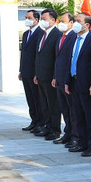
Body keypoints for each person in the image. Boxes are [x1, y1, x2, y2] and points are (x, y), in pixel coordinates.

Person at [68, 13, 91, 156]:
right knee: (78, 115)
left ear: (87, 25)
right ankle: (82, 143)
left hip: (86, 83)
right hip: (74, 81)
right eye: (75, 21)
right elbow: (71, 60)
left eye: (79, 21)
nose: (75, 23)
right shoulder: (74, 38)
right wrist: (67, 81)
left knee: (90, 117)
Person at [33, 9, 62, 140]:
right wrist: (36, 73)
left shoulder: (57, 34)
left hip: (50, 76)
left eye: (45, 19)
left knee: (53, 104)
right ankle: (47, 126)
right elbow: (38, 55)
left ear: (53, 20)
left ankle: (55, 130)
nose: (43, 21)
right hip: (41, 75)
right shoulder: (42, 34)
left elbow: (57, 57)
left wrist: (55, 76)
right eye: (42, 19)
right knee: (44, 103)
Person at [52, 13, 78, 146]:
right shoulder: (60, 37)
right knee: (64, 109)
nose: (60, 23)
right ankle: (67, 134)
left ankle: (75, 136)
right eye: (60, 21)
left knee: (73, 110)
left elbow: (71, 60)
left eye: (63, 21)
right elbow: (58, 59)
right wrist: (55, 76)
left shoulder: (74, 37)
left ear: (71, 23)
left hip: (69, 80)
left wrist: (67, 79)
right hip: (59, 79)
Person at [20, 10, 42, 131]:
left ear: (36, 20)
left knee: (37, 99)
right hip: (25, 71)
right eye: (26, 17)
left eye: (29, 18)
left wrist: (36, 73)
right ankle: (33, 120)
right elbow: (23, 53)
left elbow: (38, 55)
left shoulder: (40, 33)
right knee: (30, 98)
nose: (27, 20)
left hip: (34, 72)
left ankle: (40, 122)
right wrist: (21, 70)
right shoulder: (26, 34)